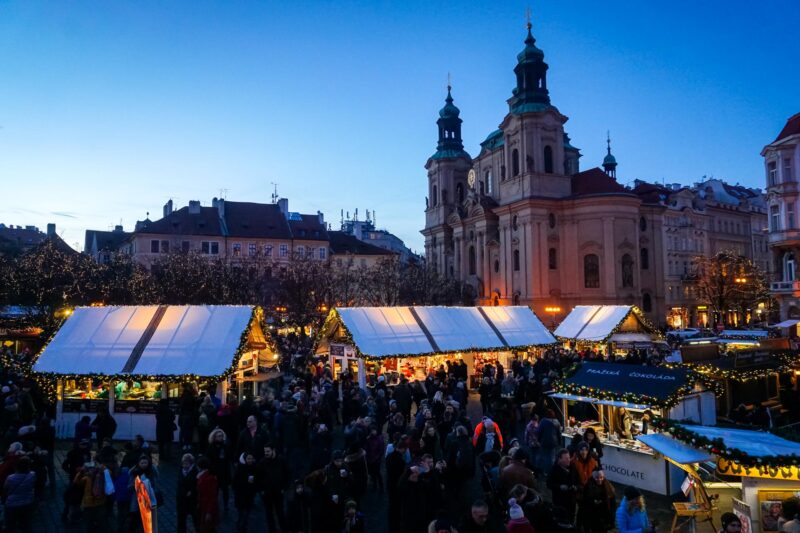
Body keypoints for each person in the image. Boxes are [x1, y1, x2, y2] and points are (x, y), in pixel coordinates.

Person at [257, 443, 289, 533]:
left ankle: (284, 530)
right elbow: (258, 478)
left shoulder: (281, 460)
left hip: (278, 492)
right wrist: (262, 491)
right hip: (267, 493)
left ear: (273, 450)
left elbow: (287, 474)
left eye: (268, 451)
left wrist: (284, 488)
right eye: (265, 451)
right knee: (269, 514)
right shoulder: (262, 463)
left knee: (280, 513)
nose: (266, 453)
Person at [3, 456, 36, 532]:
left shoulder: (10, 478)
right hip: (27, 503)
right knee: (26, 525)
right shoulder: (32, 475)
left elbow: (5, 491)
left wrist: (4, 500)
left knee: (10, 526)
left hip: (12, 504)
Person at [547, 448, 579, 525]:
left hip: (571, 500)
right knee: (560, 521)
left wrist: (576, 487)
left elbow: (578, 480)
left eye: (569, 458)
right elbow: (549, 484)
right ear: (559, 459)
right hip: (560, 501)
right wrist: (559, 487)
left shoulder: (572, 467)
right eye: (566, 458)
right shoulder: (554, 470)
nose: (569, 460)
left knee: (571, 518)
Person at [127, 454, 158, 533]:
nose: (144, 465)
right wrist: (137, 485)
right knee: (134, 518)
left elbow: (154, 484)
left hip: (148, 499)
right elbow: (129, 486)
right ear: (138, 463)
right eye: (142, 463)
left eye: (145, 463)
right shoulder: (134, 472)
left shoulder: (151, 471)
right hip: (137, 499)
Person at [206, 428, 232, 512]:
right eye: (218, 436)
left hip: (224, 471)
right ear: (214, 437)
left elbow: (229, 458)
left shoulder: (225, 446)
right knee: (215, 490)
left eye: (221, 436)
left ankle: (226, 504)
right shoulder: (211, 447)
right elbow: (208, 460)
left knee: (225, 490)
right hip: (215, 472)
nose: (220, 438)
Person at [233, 452, 258, 532]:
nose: (250, 460)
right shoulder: (240, 469)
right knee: (242, 513)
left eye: (251, 458)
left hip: (249, 495)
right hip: (241, 495)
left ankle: (242, 526)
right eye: (248, 458)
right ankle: (241, 526)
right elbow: (234, 483)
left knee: (247, 512)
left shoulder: (254, 468)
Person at [196, 456, 220, 533]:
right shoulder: (201, 476)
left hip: (206, 507)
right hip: (202, 506)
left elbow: (212, 497)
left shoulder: (209, 479)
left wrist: (208, 512)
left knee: (208, 528)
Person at [176, 453, 198, 533]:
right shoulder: (181, 470)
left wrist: (192, 491)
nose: (184, 465)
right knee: (181, 520)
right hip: (181, 499)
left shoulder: (195, 472)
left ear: (191, 463)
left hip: (192, 500)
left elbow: (196, 485)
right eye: (183, 463)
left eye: (187, 463)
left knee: (196, 519)